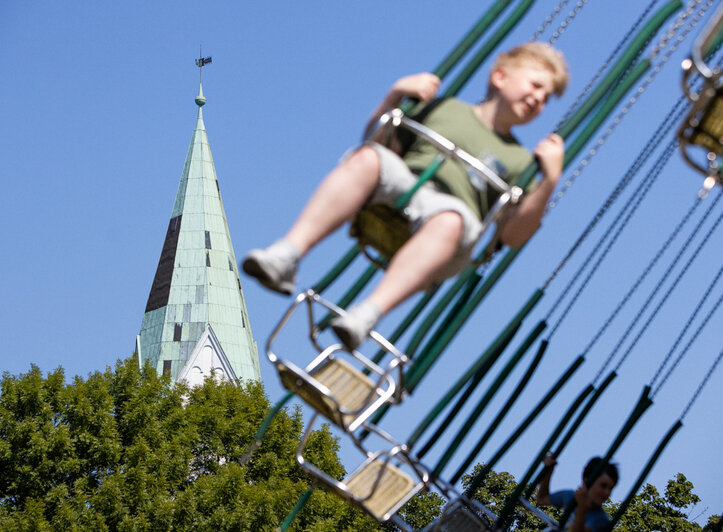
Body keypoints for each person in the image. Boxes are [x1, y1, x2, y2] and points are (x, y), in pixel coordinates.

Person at [243, 42, 569, 350]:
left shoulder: (520, 161)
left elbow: (512, 236)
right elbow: (379, 141)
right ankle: (287, 253)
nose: (540, 99)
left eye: (548, 97)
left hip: (449, 219)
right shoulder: (447, 108)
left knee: (451, 219)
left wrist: (549, 180)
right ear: (500, 76)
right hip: (403, 187)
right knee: (368, 158)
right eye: (536, 85)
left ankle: (368, 313)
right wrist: (395, 95)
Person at [536, 454, 618, 532]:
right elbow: (542, 499)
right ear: (586, 480)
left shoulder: (601, 520)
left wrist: (582, 506)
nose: (607, 492)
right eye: (603, 486)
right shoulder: (570, 496)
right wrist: (548, 470)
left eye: (611, 488)